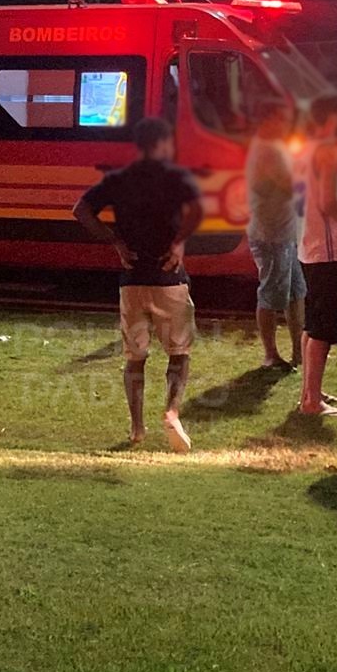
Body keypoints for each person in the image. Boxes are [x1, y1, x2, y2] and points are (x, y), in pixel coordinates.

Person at [73, 117, 203, 453]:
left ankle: (136, 427)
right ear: (162, 143)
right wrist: (179, 244)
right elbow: (197, 210)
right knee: (179, 354)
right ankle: (172, 411)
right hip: (170, 278)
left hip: (132, 281)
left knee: (135, 357)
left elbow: (81, 210)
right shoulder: (176, 177)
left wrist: (115, 241)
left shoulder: (119, 179)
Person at [298, 95, 337, 417]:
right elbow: (328, 202)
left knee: (312, 322)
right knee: (323, 327)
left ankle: (310, 391)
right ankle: (311, 401)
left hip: (309, 245)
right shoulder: (328, 150)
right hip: (327, 247)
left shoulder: (305, 146)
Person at [245, 100, 306, 369]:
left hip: (286, 231)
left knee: (296, 293)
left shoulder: (275, 145)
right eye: (282, 118)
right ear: (268, 119)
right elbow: (289, 186)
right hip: (271, 234)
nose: (286, 123)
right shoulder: (266, 150)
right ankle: (271, 355)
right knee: (271, 295)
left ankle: (298, 352)